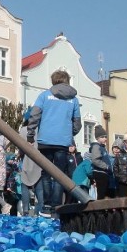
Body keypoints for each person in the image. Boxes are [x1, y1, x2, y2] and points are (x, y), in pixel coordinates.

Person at [26, 70, 82, 210]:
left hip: (45, 140)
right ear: (67, 80)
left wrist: (30, 135)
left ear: (53, 80)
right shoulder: (73, 99)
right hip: (62, 142)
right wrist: (69, 134)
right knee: (59, 173)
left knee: (45, 173)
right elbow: (77, 122)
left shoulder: (45, 95)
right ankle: (56, 205)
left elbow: (34, 115)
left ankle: (45, 204)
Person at [88, 126, 114, 199]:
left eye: (106, 137)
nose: (105, 139)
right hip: (100, 173)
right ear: (97, 138)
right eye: (102, 137)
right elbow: (95, 160)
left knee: (104, 193)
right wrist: (106, 166)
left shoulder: (102, 147)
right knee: (101, 194)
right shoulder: (96, 146)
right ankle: (99, 209)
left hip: (104, 173)